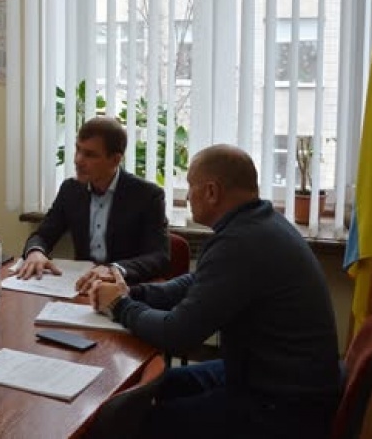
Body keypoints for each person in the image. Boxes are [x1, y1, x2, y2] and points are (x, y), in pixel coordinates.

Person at [87, 144, 340, 439]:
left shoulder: (241, 242)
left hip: (281, 407)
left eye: (190, 186)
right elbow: (197, 282)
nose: (187, 196)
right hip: (272, 377)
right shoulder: (259, 223)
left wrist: (120, 305)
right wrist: (135, 292)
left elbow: (177, 334)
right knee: (149, 387)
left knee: (129, 422)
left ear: (211, 191)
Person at [17, 116, 169, 290]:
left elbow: (159, 257)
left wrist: (114, 269)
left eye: (90, 155)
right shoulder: (71, 190)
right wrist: (35, 251)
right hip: (81, 287)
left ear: (115, 160)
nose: (78, 160)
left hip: (124, 289)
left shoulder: (147, 195)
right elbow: (43, 235)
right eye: (78, 150)